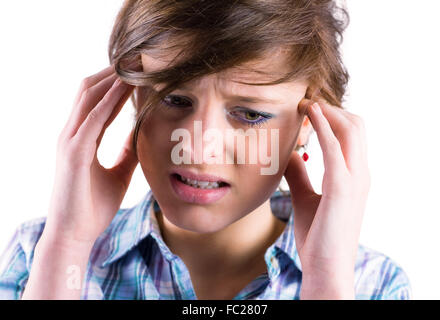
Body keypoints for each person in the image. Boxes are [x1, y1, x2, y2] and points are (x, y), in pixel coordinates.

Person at [0, 0, 411, 300]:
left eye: (250, 114)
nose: (197, 148)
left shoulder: (372, 284)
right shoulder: (39, 253)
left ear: (308, 126)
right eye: (175, 100)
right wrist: (68, 245)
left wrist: (324, 280)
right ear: (134, 99)